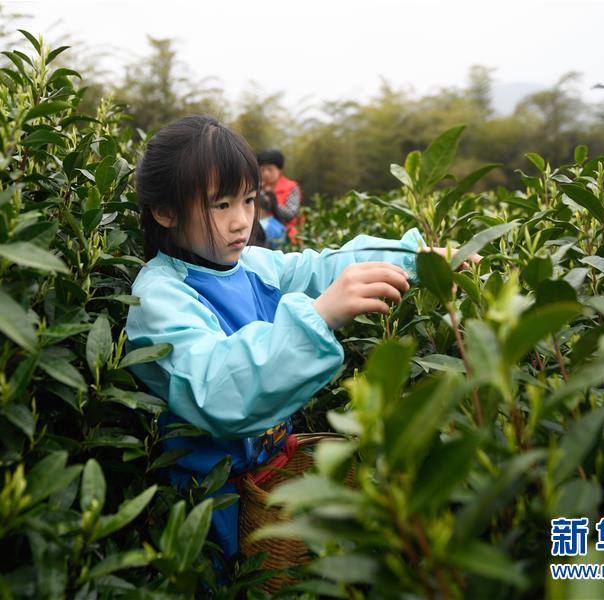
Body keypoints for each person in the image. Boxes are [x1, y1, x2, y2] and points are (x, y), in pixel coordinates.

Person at [124, 115, 465, 568]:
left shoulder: (252, 266)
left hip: (270, 479)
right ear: (165, 211)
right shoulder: (159, 295)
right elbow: (215, 387)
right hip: (207, 501)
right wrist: (320, 315)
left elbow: (322, 266)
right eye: (221, 205)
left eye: (247, 201)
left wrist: (418, 258)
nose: (241, 222)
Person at [256, 149, 302, 245]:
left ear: (279, 170)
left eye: (270, 169)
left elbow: (290, 214)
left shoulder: (291, 187)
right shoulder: (256, 188)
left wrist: (274, 203)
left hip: (287, 234)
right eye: (262, 170)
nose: (266, 173)